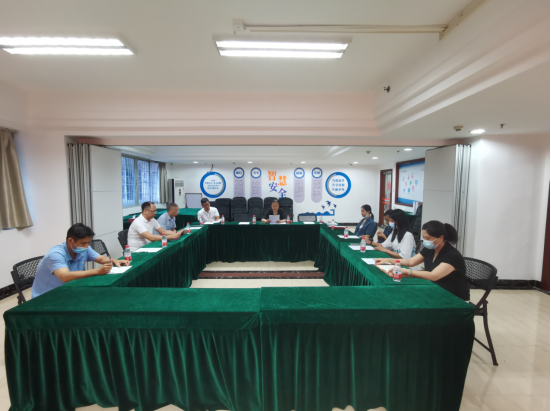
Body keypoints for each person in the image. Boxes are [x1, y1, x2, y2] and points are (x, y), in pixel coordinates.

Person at [375, 220, 470, 301]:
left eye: (428, 238)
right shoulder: (430, 249)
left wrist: (407, 272)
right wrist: (388, 260)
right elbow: (410, 262)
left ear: (441, 238)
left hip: (454, 297)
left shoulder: (452, 256)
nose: (424, 240)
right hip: (435, 289)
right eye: (423, 237)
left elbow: (433, 276)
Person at [31, 223, 128, 298]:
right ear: (70, 241)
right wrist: (97, 271)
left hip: (70, 290)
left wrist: (114, 260)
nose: (86, 246)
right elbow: (65, 276)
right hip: (47, 296)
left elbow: (101, 259)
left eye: (88, 243)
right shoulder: (55, 254)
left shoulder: (85, 248)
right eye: (83, 243)